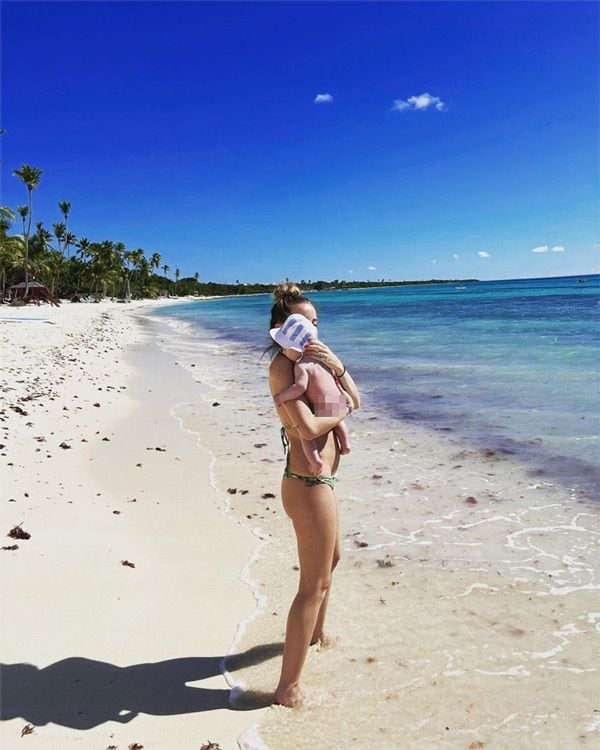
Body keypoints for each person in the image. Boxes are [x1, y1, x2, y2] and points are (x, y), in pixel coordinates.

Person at [268, 283, 360, 707]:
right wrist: (339, 412)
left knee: (333, 561)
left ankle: (318, 634)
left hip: (320, 483)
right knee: (313, 584)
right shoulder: (283, 370)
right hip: (306, 486)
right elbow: (306, 428)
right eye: (303, 326)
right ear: (282, 329)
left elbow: (357, 398)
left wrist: (338, 368)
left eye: (316, 325)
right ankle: (288, 689)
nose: (313, 335)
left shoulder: (319, 363)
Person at [270, 313, 352, 477]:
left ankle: (315, 460)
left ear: (296, 349)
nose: (284, 352)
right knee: (339, 423)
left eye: (286, 348)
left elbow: (299, 387)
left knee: (305, 438)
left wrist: (281, 396)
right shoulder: (322, 362)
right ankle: (345, 444)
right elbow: (334, 380)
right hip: (335, 398)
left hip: (320, 403)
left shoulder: (301, 365)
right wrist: (344, 400)